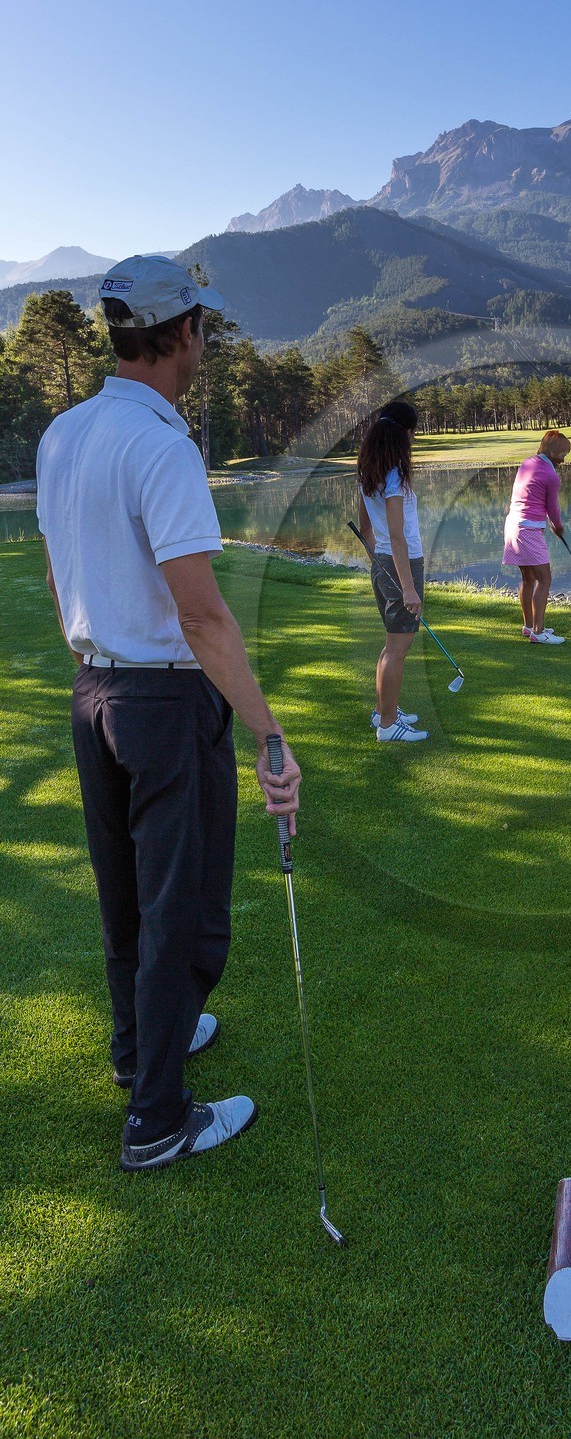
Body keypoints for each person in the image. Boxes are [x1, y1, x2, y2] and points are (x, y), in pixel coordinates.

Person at [36, 254, 302, 1173]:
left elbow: (56, 574)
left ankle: (142, 1047)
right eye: (204, 327)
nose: (206, 341)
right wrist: (269, 732)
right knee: (181, 912)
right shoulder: (162, 444)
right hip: (159, 701)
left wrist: (93, 650)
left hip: (93, 691)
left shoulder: (64, 431)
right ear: (182, 333)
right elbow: (201, 614)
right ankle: (157, 1120)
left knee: (128, 901)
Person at [357, 400, 429, 743]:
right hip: (402, 565)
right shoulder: (396, 474)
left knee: (391, 645)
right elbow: (397, 535)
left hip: (384, 562)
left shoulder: (368, 470)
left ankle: (384, 709)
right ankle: (388, 725)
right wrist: (408, 587)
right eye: (412, 433)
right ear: (404, 433)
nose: (413, 440)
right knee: (398, 648)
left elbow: (365, 527)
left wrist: (378, 559)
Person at [502, 429, 571, 643]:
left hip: (513, 525)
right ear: (552, 452)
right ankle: (538, 633)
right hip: (528, 530)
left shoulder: (528, 463)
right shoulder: (551, 475)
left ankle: (529, 626)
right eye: (562, 454)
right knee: (545, 578)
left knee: (528, 578)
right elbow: (553, 508)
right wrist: (557, 526)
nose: (563, 459)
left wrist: (551, 523)